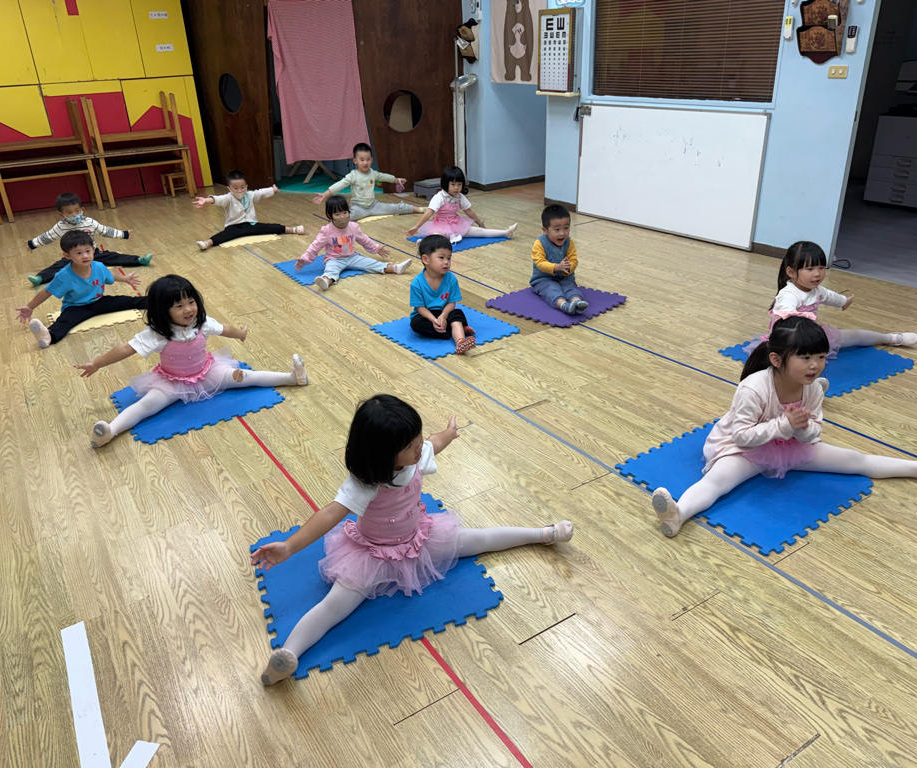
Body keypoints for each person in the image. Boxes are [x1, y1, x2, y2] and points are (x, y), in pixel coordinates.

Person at [251, 394, 574, 685]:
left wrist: (449, 433)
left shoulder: (415, 455)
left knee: (479, 539)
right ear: (383, 454)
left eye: (417, 436)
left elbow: (434, 443)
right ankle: (288, 655)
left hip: (420, 539)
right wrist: (289, 546)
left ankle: (543, 533)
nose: (420, 446)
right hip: (372, 555)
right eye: (410, 445)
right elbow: (329, 514)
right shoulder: (365, 483)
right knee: (335, 606)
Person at [651, 316, 917, 538]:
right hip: (744, 449)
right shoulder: (753, 388)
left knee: (855, 460)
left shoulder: (812, 388)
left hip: (790, 446)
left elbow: (815, 433)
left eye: (821, 357)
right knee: (717, 482)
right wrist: (782, 425)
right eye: (806, 357)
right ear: (776, 359)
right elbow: (742, 437)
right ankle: (679, 514)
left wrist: (799, 430)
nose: (815, 365)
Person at [74, 274, 308, 447]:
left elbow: (224, 328)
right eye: (179, 306)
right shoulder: (158, 333)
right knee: (146, 406)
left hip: (208, 372)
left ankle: (292, 377)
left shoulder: (201, 323)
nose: (188, 310)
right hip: (171, 382)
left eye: (191, 302)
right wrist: (97, 363)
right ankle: (110, 431)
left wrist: (240, 333)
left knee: (246, 377)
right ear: (163, 311)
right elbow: (126, 348)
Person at [759, 241, 917, 359]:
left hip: (811, 337)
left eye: (821, 268)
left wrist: (844, 301)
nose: (817, 274)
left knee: (855, 336)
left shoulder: (816, 290)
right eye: (810, 269)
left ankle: (889, 338)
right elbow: (787, 319)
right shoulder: (789, 295)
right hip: (788, 342)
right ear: (791, 272)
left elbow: (830, 296)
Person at [16, 231, 146, 348]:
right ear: (67, 255)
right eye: (79, 253)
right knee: (64, 323)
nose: (85, 256)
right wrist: (30, 307)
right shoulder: (63, 275)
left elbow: (110, 275)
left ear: (93, 250)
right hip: (76, 307)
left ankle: (154, 301)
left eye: (88, 251)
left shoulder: (99, 266)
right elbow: (47, 291)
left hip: (99, 301)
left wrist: (125, 279)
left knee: (128, 301)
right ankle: (48, 336)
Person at [26, 192, 152, 286]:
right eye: (69, 213)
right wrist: (33, 244)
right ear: (61, 214)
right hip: (73, 257)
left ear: (82, 210)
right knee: (58, 267)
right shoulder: (60, 226)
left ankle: (139, 260)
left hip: (92, 253)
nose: (74, 215)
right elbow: (47, 236)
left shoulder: (89, 222)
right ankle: (40, 278)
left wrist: (123, 234)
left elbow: (105, 230)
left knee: (113, 257)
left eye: (77, 211)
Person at [295, 195, 412, 291]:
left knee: (372, 263)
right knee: (331, 271)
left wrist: (376, 248)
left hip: (352, 257)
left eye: (345, 213)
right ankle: (326, 281)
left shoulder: (353, 227)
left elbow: (364, 240)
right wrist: (304, 259)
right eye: (337, 214)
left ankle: (395, 268)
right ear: (330, 216)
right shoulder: (326, 230)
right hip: (334, 259)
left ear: (349, 212)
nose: (342, 217)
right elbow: (315, 246)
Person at [312, 142, 426, 221]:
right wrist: (325, 194)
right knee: (343, 218)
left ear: (371, 160)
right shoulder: (353, 175)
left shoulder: (373, 173)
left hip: (374, 206)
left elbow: (384, 177)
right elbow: (339, 185)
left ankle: (420, 209)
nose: (365, 163)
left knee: (396, 207)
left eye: (368, 159)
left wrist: (397, 180)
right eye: (362, 160)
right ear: (355, 161)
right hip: (358, 208)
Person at [194, 170, 304, 250]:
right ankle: (207, 243)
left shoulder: (250, 195)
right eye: (236, 188)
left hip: (251, 225)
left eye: (242, 187)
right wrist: (206, 200)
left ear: (246, 186)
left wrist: (272, 189)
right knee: (223, 236)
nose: (240, 190)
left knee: (271, 227)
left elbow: (260, 193)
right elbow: (217, 199)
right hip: (234, 226)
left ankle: (293, 229)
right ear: (229, 188)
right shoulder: (228, 198)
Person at [406, 166, 517, 244]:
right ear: (445, 184)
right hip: (440, 226)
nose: (456, 188)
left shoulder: (459, 196)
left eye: (459, 184)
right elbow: (429, 212)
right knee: (437, 237)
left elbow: (469, 211)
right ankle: (423, 244)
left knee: (480, 232)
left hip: (458, 224)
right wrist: (416, 227)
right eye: (453, 184)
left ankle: (506, 232)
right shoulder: (439, 197)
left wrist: (479, 222)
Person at [409, 235, 476, 354]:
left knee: (457, 314)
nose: (446, 262)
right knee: (416, 324)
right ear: (425, 259)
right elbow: (420, 308)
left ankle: (460, 341)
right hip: (427, 315)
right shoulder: (417, 283)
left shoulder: (451, 279)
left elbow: (451, 303)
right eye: (441, 258)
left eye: (449, 258)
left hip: (445, 312)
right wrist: (434, 320)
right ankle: (457, 329)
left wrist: (444, 316)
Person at [531, 204, 589, 315]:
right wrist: (557, 267)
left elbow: (573, 259)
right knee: (552, 290)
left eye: (566, 228)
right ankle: (564, 305)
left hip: (564, 277)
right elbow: (540, 263)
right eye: (557, 229)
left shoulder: (569, 242)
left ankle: (577, 302)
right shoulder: (539, 244)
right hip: (543, 279)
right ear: (545, 230)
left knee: (570, 287)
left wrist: (568, 268)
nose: (562, 233)